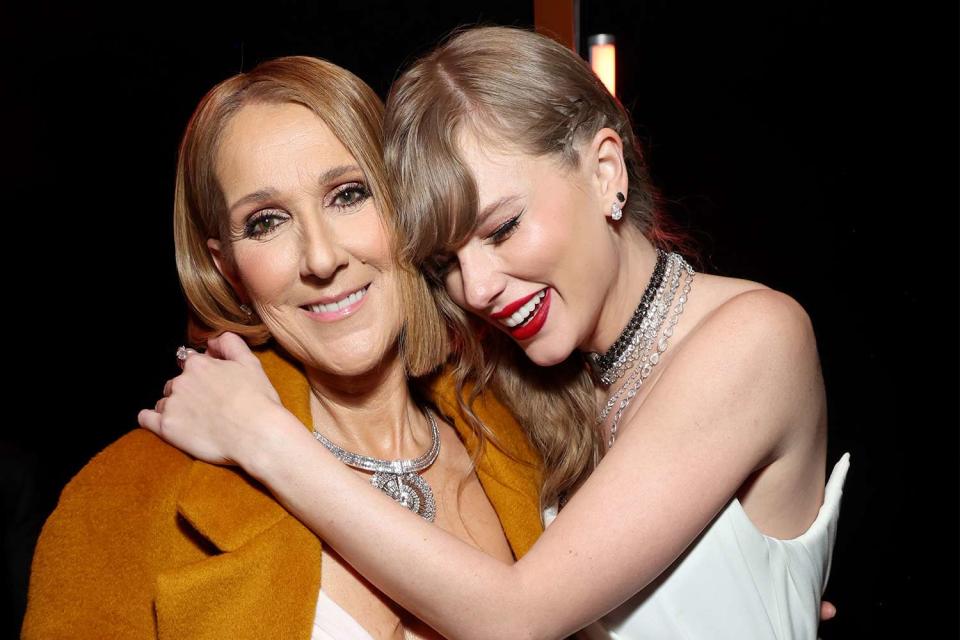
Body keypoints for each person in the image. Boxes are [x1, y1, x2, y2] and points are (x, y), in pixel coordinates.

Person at [141, 27, 848, 639]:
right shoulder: (520, 389)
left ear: (606, 171)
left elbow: (517, 619)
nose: (475, 290)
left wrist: (262, 437)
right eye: (446, 260)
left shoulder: (755, 336)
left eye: (503, 227)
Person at [21, 55, 545, 640]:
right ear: (228, 270)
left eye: (348, 194)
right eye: (267, 221)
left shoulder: (524, 438)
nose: (322, 258)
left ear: (406, 206)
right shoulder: (121, 501)